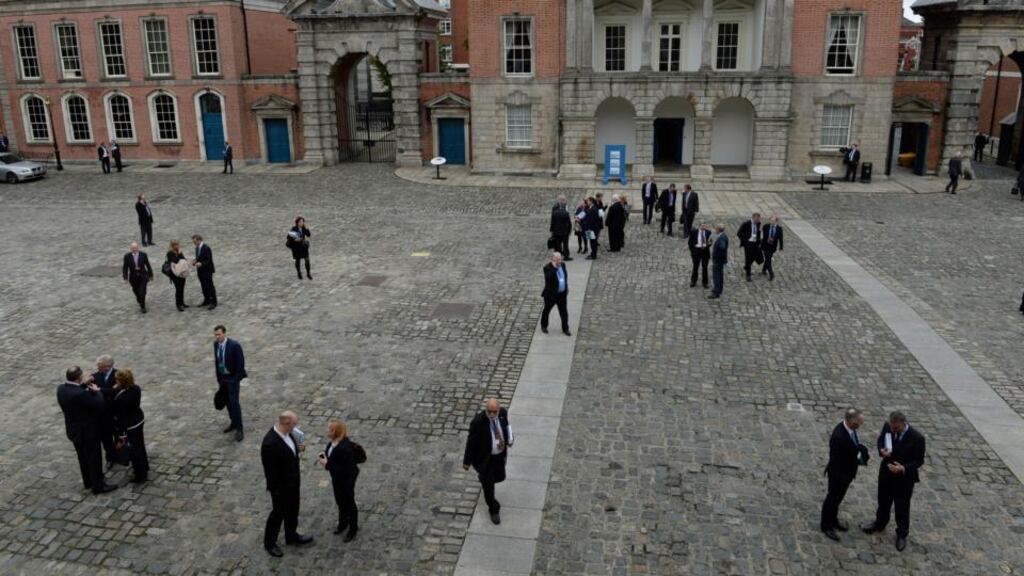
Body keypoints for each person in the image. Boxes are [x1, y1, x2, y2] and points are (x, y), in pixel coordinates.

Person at [861, 411, 926, 551]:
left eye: (895, 428)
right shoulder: (888, 426)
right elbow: (880, 440)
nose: (892, 430)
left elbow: (919, 460)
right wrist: (881, 450)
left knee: (902, 506)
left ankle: (902, 534)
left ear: (904, 424)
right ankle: (880, 523)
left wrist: (902, 468)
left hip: (903, 478)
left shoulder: (917, 438)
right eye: (891, 427)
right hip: (886, 473)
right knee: (883, 500)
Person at [260, 410, 314, 557]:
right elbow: (270, 472)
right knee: (278, 514)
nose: (296, 426)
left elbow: (292, 450)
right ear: (286, 424)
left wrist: (298, 449)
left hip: (293, 482)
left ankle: (291, 535)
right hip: (281, 488)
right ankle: (270, 543)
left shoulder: (289, 433)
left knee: (293, 510)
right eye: (294, 423)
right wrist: (277, 491)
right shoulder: (270, 444)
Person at [57, 367, 117, 494]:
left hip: (73, 430)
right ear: (78, 378)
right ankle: (98, 486)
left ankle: (88, 481)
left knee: (82, 457)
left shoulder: (61, 389)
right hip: (88, 432)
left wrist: (84, 384)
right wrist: (97, 391)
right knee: (94, 458)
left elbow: (76, 391)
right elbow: (99, 403)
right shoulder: (80, 394)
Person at [463, 398, 513, 525]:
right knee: (489, 486)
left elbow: (507, 426)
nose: (491, 414)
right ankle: (494, 509)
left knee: (500, 476)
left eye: (494, 412)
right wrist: (467, 461)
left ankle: (484, 478)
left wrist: (510, 438)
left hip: (499, 456)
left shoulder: (502, 413)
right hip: (485, 459)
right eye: (489, 411)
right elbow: (471, 443)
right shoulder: (478, 422)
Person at [821, 408, 868, 542]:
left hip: (846, 473)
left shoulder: (850, 430)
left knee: (838, 499)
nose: (860, 425)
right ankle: (826, 525)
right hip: (839, 474)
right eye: (859, 423)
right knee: (832, 499)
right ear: (851, 421)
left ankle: (833, 520)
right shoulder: (839, 436)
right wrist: (858, 454)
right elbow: (839, 459)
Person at [318, 419, 360, 542]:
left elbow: (341, 469)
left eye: (330, 430)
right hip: (337, 479)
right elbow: (331, 455)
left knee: (349, 502)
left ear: (335, 432)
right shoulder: (333, 443)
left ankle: (353, 528)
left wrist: (326, 464)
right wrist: (324, 456)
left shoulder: (343, 448)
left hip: (346, 479)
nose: (327, 431)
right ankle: (343, 523)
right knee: (340, 501)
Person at [109, 369, 148, 483]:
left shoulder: (121, 399)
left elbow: (121, 419)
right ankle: (144, 467)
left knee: (134, 451)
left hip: (130, 426)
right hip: (138, 420)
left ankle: (140, 475)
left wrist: (122, 436)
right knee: (140, 445)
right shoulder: (136, 388)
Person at [214, 325, 247, 441]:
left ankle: (239, 428)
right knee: (227, 402)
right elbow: (217, 361)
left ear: (224, 333)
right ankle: (233, 422)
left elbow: (240, 363)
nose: (217, 337)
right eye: (216, 335)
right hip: (223, 379)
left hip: (232, 379)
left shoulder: (234, 346)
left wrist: (235, 379)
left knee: (234, 403)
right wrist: (219, 378)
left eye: (219, 334)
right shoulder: (216, 345)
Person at [91, 355, 120, 468]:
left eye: (100, 366)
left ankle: (121, 455)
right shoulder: (95, 376)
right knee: (106, 438)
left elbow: (116, 391)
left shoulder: (118, 375)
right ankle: (110, 457)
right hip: (102, 414)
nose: (98, 368)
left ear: (108, 367)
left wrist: (99, 390)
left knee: (118, 436)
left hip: (115, 412)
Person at [540, 252, 571, 336]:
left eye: (560, 259)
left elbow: (564, 277)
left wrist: (566, 287)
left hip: (562, 294)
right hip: (551, 295)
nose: (559, 261)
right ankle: (544, 325)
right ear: (553, 259)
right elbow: (548, 277)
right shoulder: (547, 267)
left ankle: (565, 328)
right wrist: (555, 268)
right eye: (557, 259)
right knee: (547, 310)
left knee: (564, 312)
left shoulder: (563, 265)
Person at [122, 241, 153, 313]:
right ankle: (139, 299)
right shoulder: (127, 256)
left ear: (138, 248)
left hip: (143, 276)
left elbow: (148, 265)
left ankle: (143, 307)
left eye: (135, 248)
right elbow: (125, 268)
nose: (134, 249)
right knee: (136, 291)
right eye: (133, 248)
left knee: (143, 292)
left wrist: (151, 274)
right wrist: (125, 277)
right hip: (133, 277)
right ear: (130, 249)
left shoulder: (143, 255)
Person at [192, 234, 217, 310]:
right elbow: (199, 257)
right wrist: (195, 260)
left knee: (210, 286)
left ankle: (213, 302)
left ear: (199, 240)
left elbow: (209, 260)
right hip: (200, 270)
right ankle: (206, 300)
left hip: (207, 270)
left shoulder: (206, 248)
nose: (194, 243)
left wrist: (201, 263)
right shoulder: (197, 248)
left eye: (195, 242)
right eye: (193, 242)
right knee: (203, 286)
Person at [737, 213, 762, 282]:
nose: (758, 221)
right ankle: (748, 275)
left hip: (755, 243)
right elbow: (739, 233)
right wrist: (745, 241)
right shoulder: (746, 224)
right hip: (748, 244)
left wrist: (759, 240)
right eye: (757, 219)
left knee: (754, 257)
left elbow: (758, 233)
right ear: (753, 218)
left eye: (758, 219)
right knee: (748, 258)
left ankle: (746, 267)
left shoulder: (758, 224)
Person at [166, 241, 189, 311]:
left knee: (182, 288)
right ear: (173, 246)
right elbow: (175, 261)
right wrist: (179, 254)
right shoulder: (170, 253)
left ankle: (182, 303)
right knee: (178, 289)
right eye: (177, 245)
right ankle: (178, 304)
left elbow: (184, 259)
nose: (178, 246)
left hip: (181, 273)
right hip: (175, 274)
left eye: (178, 245)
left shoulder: (178, 251)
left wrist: (180, 254)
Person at [760, 215, 784, 281]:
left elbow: (780, 239)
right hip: (765, 245)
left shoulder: (779, 229)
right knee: (768, 259)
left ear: (776, 221)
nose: (771, 222)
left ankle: (764, 270)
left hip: (773, 247)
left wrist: (781, 247)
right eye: (770, 220)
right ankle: (771, 274)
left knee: (768, 258)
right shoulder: (766, 226)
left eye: (773, 221)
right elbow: (762, 235)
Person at [688, 223, 711, 289]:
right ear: (699, 226)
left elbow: (710, 242)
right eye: (702, 225)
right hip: (696, 251)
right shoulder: (694, 232)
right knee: (695, 267)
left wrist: (709, 244)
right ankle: (693, 281)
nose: (704, 226)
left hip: (705, 252)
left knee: (705, 268)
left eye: (705, 225)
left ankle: (705, 282)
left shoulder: (708, 232)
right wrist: (692, 252)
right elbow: (690, 243)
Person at [549, 196, 573, 261]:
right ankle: (566, 256)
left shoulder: (555, 212)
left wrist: (552, 230)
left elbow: (552, 222)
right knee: (565, 244)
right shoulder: (566, 213)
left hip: (557, 231)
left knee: (558, 245)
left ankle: (558, 256)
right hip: (564, 231)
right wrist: (569, 230)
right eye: (564, 200)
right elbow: (569, 223)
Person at [708, 224, 728, 300]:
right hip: (719, 260)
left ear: (718, 230)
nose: (714, 230)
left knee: (717, 276)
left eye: (715, 229)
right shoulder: (722, 236)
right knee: (719, 275)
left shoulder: (722, 238)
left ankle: (716, 291)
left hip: (718, 260)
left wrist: (716, 256)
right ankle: (718, 290)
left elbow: (722, 248)